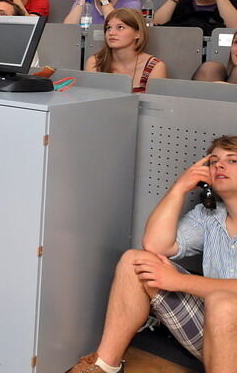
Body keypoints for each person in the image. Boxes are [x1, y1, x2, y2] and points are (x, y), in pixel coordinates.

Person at [66, 136, 237, 373]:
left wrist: (180, 281)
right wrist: (179, 188)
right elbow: (155, 245)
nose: (219, 165)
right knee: (135, 262)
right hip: (216, 336)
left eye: (233, 160)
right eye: (214, 161)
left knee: (223, 304)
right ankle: (104, 366)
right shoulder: (209, 217)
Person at [84, 9, 167, 93]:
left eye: (120, 27)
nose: (111, 33)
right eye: (108, 28)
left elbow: (155, 104)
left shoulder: (155, 67)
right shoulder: (95, 62)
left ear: (138, 34)